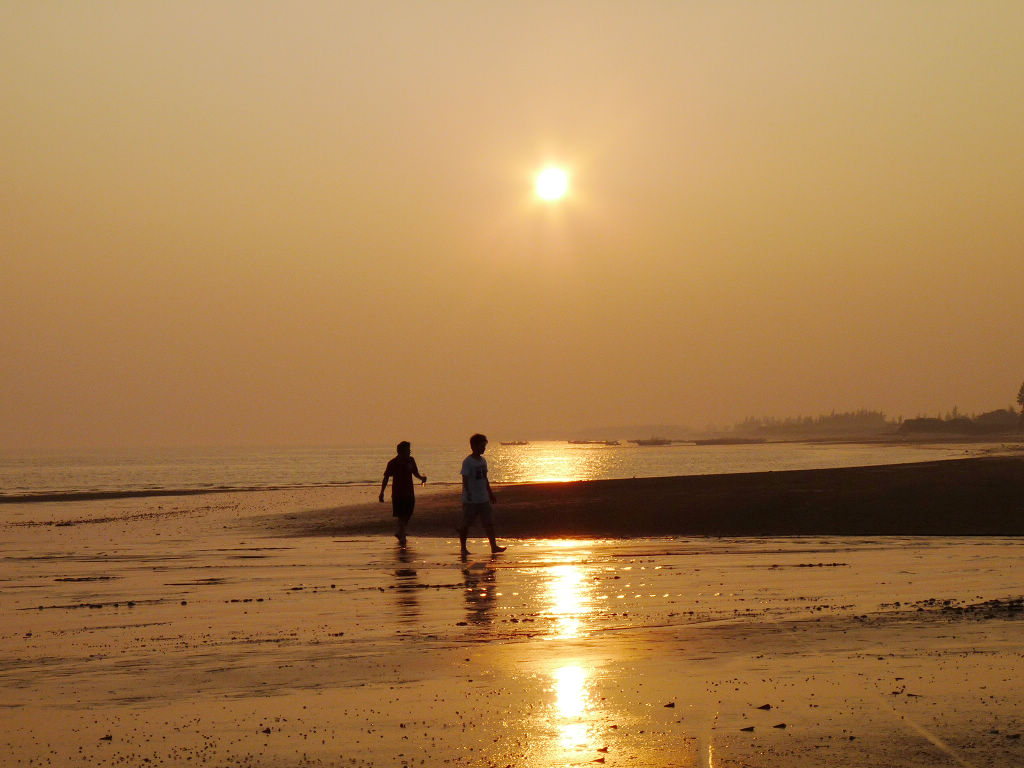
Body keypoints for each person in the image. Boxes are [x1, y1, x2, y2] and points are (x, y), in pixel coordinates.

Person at [458, 433, 505, 556]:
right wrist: (468, 493)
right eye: (482, 446)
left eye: (484, 446)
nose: (483, 448)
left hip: (483, 498)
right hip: (471, 499)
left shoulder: (483, 461)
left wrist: (490, 493)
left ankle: (493, 546)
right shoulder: (468, 462)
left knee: (489, 523)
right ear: (474, 446)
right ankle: (463, 548)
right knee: (466, 524)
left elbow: (485, 478)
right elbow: (465, 478)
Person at [379, 441, 426, 547]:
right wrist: (382, 492)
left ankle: (400, 531)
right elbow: (386, 478)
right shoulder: (393, 463)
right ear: (401, 451)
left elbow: (415, 473)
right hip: (397, 493)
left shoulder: (411, 460)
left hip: (409, 492)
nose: (409, 451)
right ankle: (402, 534)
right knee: (400, 515)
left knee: (408, 513)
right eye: (407, 450)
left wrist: (421, 478)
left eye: (409, 449)